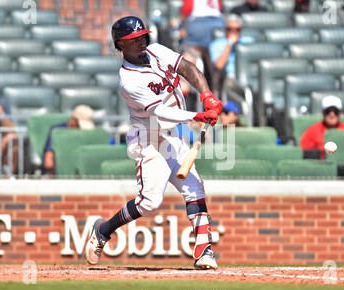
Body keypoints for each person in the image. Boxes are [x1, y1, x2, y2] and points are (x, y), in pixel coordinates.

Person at [85, 16, 222, 270]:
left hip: (172, 135)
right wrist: (196, 115)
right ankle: (103, 230)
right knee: (149, 202)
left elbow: (188, 69)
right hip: (148, 139)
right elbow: (160, 112)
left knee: (195, 188)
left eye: (142, 36)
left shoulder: (157, 51)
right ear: (120, 45)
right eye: (132, 40)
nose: (140, 41)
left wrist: (207, 96)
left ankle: (204, 250)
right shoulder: (128, 80)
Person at [209, 14, 254, 94]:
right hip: (230, 77)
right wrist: (230, 43)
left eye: (237, 29)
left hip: (250, 75)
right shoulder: (216, 44)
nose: (234, 32)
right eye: (230, 29)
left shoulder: (249, 41)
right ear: (225, 30)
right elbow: (219, 65)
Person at [42, 104, 95, 175]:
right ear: (73, 120)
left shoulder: (87, 134)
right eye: (79, 125)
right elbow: (48, 163)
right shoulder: (56, 132)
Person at [300, 96, 344, 160]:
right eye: (328, 111)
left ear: (340, 114)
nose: (332, 114)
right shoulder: (311, 131)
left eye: (335, 111)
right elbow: (305, 155)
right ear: (323, 113)